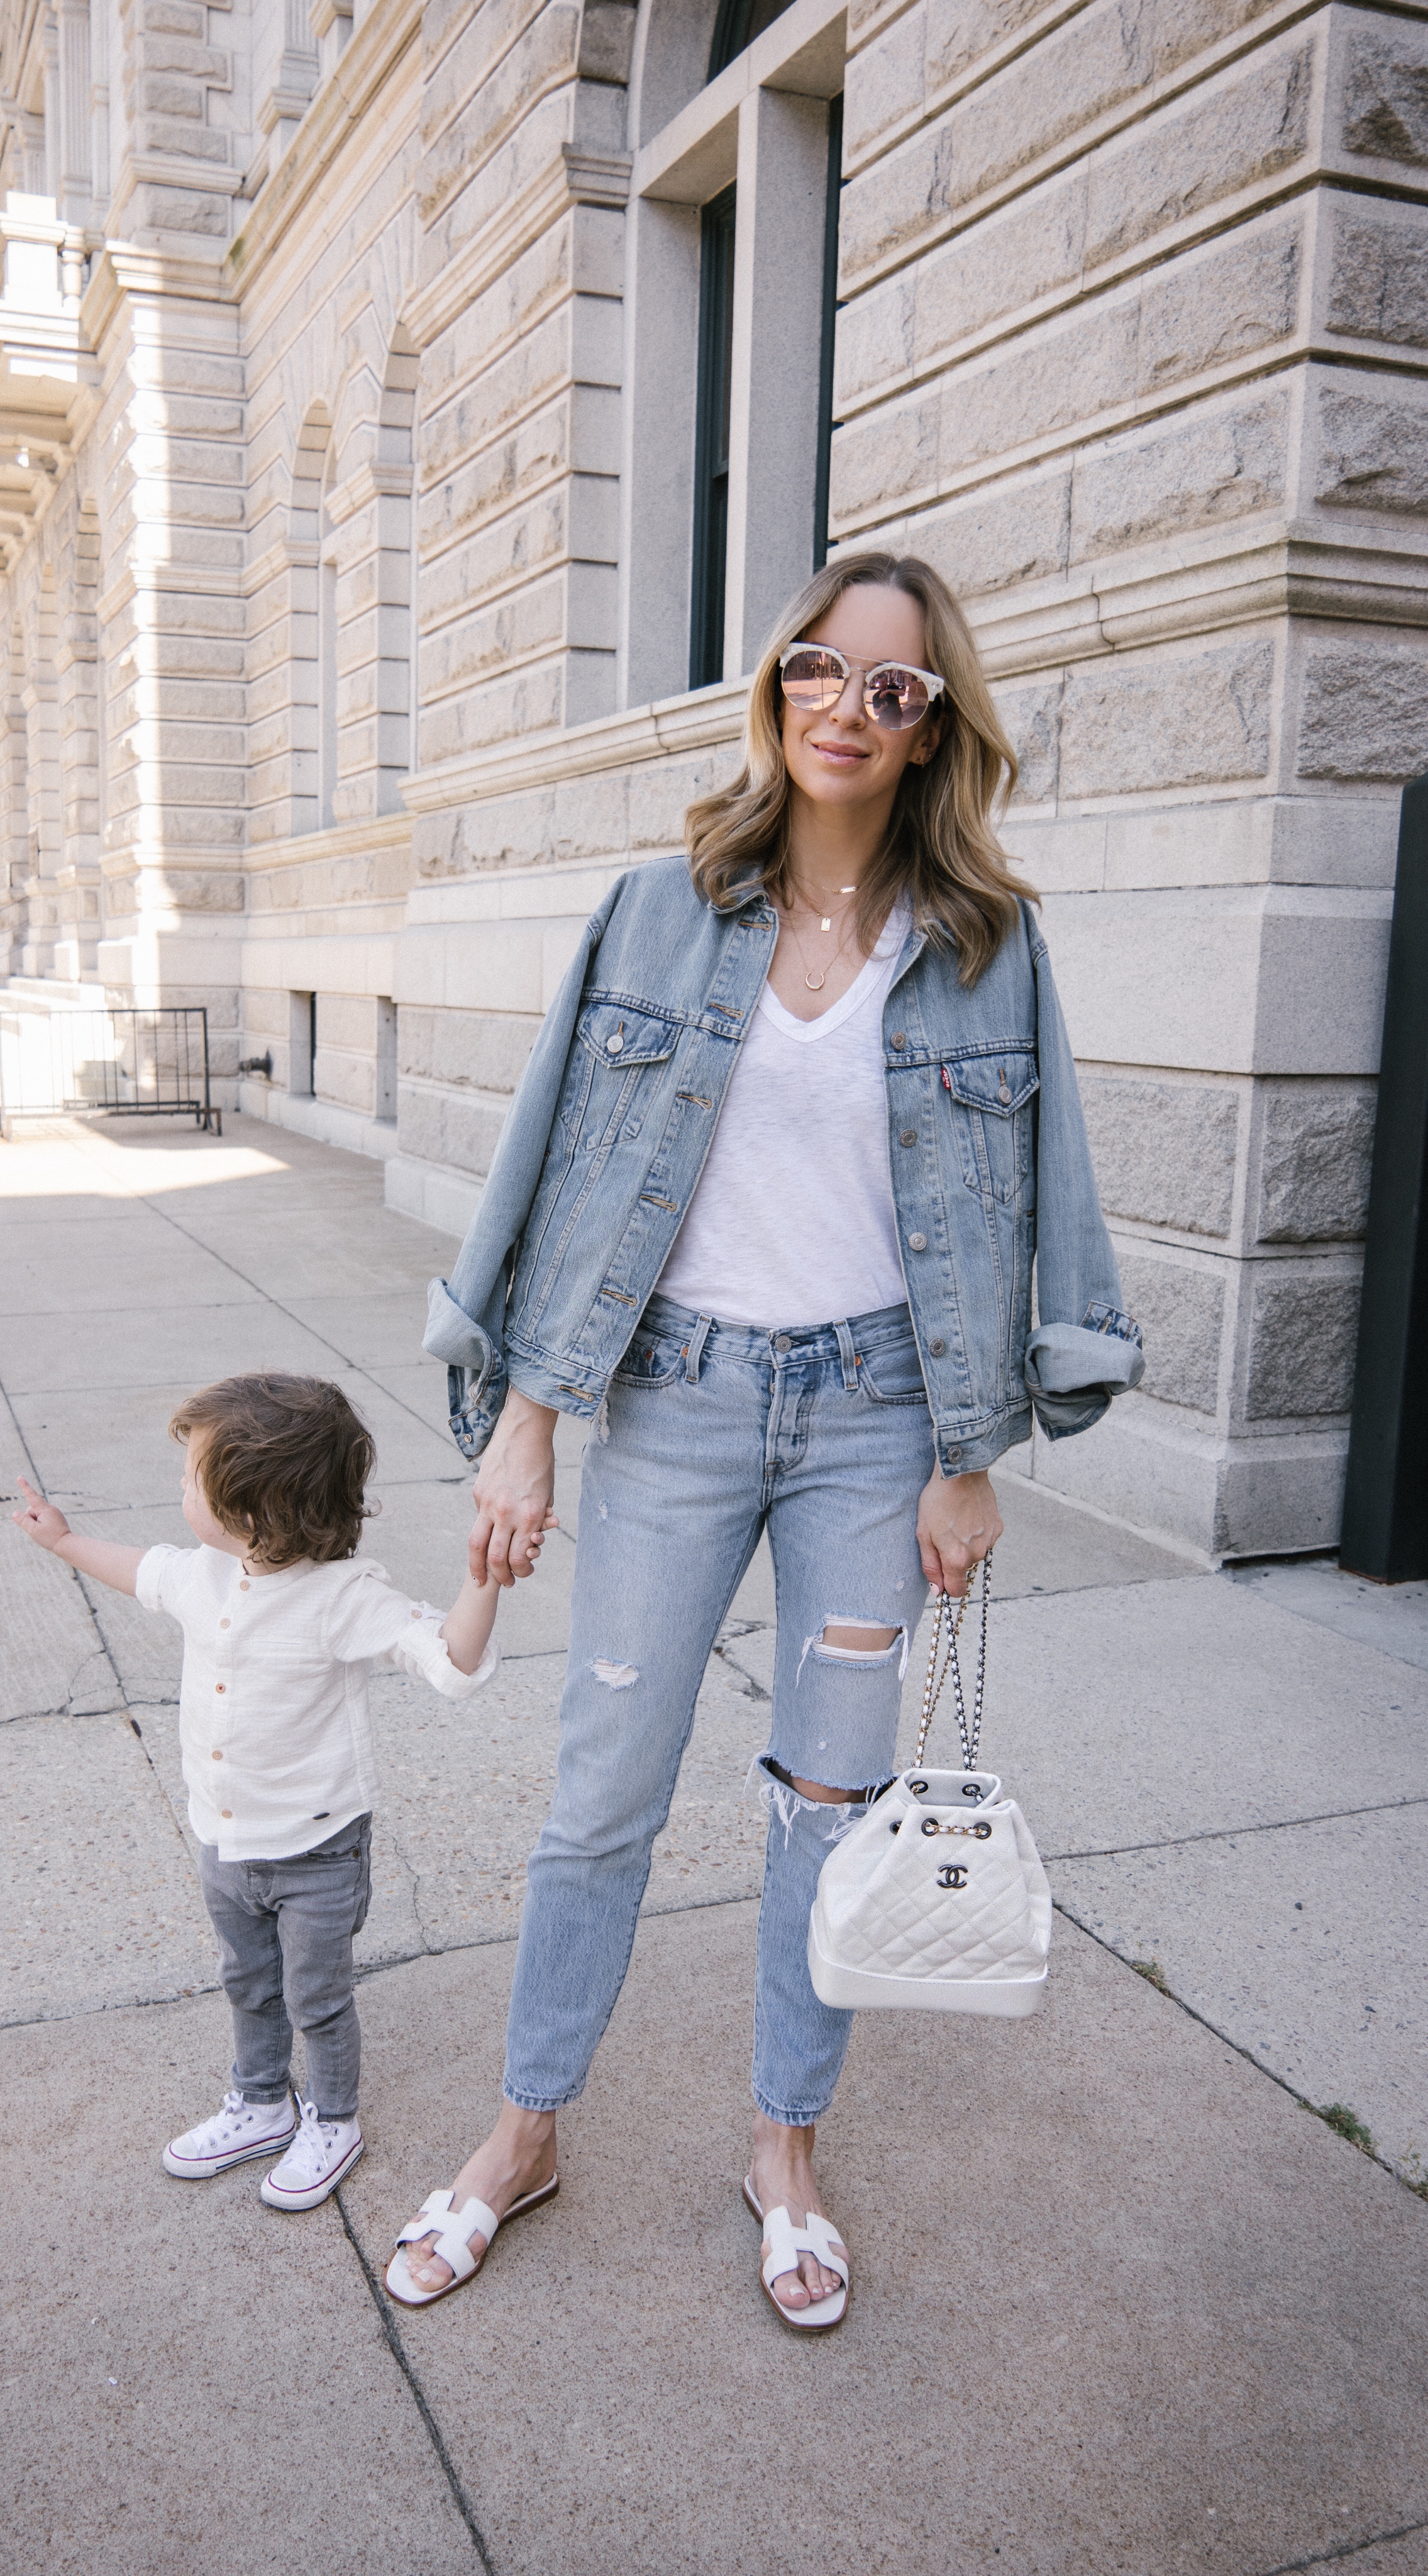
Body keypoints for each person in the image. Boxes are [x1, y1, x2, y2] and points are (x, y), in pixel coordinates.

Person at [387, 552, 1143, 2330]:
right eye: (819, 668)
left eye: (892, 688)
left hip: (878, 1420)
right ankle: (524, 2131)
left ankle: (783, 2146)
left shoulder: (987, 941)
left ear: (931, 722)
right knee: (603, 1792)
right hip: (673, 1402)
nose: (846, 709)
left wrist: (974, 1453)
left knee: (832, 1796)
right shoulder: (660, 907)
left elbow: (1038, 1199)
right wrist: (522, 1420)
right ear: (777, 683)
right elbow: (551, 1171)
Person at [11, 1371, 524, 2210]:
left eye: (192, 1479)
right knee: (246, 1982)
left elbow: (451, 1662)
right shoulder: (204, 1577)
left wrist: (484, 1577)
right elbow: (139, 1570)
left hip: (316, 1849)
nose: (179, 1488)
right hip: (222, 1838)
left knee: (315, 1997)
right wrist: (64, 1543)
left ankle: (333, 2117)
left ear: (251, 1508)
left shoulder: (340, 1599)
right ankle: (260, 2101)